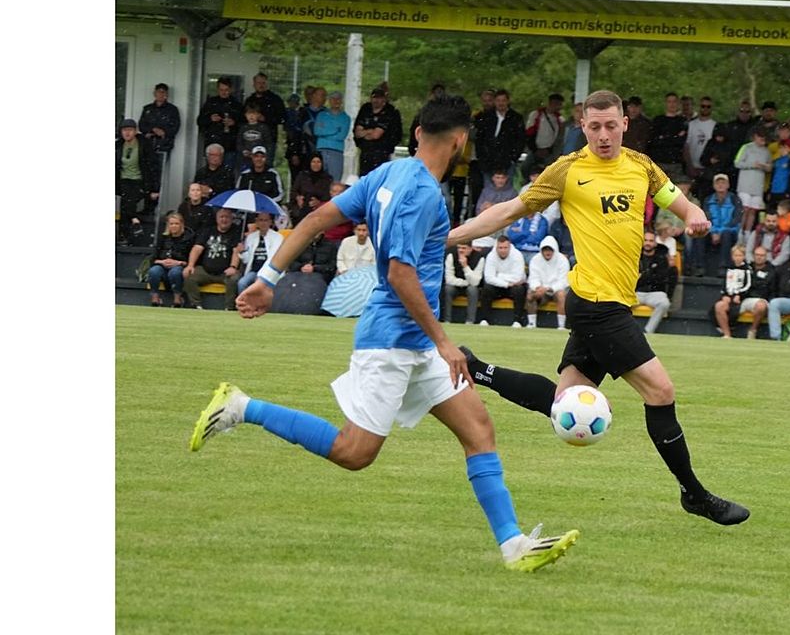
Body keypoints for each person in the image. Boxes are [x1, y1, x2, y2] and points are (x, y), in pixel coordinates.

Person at [190, 94, 579, 572]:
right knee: (354, 453)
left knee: (478, 429)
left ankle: (513, 545)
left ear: (418, 133)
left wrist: (268, 281)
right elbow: (399, 274)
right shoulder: (422, 194)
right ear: (460, 142)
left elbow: (314, 219)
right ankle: (241, 406)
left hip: (413, 341)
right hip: (393, 340)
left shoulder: (385, 175)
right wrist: (444, 343)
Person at [448, 89, 749, 526]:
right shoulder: (567, 170)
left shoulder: (641, 166)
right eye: (594, 127)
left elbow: (681, 203)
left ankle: (477, 370)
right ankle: (694, 493)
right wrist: (450, 236)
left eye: (611, 126)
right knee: (660, 392)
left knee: (561, 401)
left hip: (612, 304)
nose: (603, 135)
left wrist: (694, 215)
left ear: (625, 124)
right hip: (596, 305)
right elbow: (508, 212)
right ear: (582, 126)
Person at [183, 208, 243, 310]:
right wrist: (190, 265)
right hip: (206, 271)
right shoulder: (208, 231)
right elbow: (197, 248)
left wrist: (233, 267)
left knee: (234, 279)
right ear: (216, 219)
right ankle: (196, 305)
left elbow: (236, 251)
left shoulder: (236, 232)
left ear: (232, 219)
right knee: (189, 276)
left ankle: (229, 308)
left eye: (227, 217)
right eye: (221, 217)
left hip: (225, 272)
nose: (224, 220)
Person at [116, 118, 159, 245]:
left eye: (130, 130)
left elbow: (153, 166)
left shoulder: (144, 144)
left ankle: (130, 228)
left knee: (127, 202)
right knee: (126, 201)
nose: (127, 133)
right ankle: (132, 225)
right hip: (123, 180)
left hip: (140, 180)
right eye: (124, 130)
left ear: (135, 131)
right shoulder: (118, 145)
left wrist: (155, 188)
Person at [473, 89, 526, 188]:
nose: (501, 103)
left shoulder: (516, 118)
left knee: (506, 190)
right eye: (498, 100)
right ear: (494, 102)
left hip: (507, 161)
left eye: (503, 100)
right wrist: (482, 157)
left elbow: (521, 140)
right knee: (489, 190)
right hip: (488, 161)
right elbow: (479, 139)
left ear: (508, 101)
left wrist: (513, 157)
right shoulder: (486, 117)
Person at [146, 212, 194, 308]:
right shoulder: (163, 238)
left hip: (179, 266)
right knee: (154, 271)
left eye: (176, 224)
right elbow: (153, 258)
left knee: (175, 272)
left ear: (182, 224)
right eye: (171, 224)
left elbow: (190, 260)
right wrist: (162, 262)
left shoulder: (189, 239)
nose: (174, 226)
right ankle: (155, 298)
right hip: (162, 265)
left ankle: (177, 298)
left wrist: (178, 262)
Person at [197, 76, 244, 172]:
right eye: (221, 89)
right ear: (217, 89)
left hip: (230, 145)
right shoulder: (210, 103)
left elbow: (244, 125)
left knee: (227, 173)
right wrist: (210, 119)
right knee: (212, 172)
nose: (224, 92)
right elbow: (200, 121)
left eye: (226, 90)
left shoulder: (237, 105)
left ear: (231, 89)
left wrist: (234, 123)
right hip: (213, 143)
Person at [478, 236, 527, 328]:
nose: (503, 250)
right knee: (487, 289)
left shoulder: (517, 255)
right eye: (500, 248)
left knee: (519, 289)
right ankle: (485, 319)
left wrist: (498, 276)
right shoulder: (491, 256)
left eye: (505, 248)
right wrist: (506, 284)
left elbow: (518, 278)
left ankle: (517, 321)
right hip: (501, 286)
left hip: (514, 287)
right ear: (496, 247)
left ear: (509, 247)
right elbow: (488, 278)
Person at [353, 88, 403, 176]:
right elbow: (357, 133)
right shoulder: (365, 109)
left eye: (379, 98)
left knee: (379, 177)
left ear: (384, 99)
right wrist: (370, 131)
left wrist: (365, 132)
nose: (377, 100)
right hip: (365, 152)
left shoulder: (389, 112)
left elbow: (376, 135)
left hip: (382, 152)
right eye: (374, 98)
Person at [525, 235, 570, 330]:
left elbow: (564, 281)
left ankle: (561, 325)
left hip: (556, 290)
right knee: (530, 294)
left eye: (550, 249)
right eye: (545, 249)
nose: (547, 252)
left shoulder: (563, 260)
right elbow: (533, 278)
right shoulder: (535, 260)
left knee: (561, 294)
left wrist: (549, 288)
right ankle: (531, 323)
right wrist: (537, 288)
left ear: (554, 250)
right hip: (541, 290)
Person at [734, 127, 772, 235]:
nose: (762, 139)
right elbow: (737, 163)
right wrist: (752, 165)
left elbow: (770, 167)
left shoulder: (766, 151)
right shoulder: (746, 147)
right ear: (755, 137)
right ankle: (739, 232)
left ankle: (748, 233)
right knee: (744, 210)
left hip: (758, 187)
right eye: (760, 137)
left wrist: (764, 166)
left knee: (753, 211)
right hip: (745, 185)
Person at [635, 231, 674, 334]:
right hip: (636, 293)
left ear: (655, 243)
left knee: (664, 303)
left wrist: (642, 277)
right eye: (646, 240)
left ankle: (648, 331)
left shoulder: (661, 258)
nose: (648, 243)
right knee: (619, 304)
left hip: (654, 293)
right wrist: (649, 276)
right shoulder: (635, 256)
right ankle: (628, 331)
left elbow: (661, 279)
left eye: (651, 241)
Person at [243, 72, 286, 164]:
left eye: (263, 83)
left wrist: (266, 119)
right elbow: (243, 120)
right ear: (254, 84)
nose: (261, 85)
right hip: (250, 140)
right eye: (259, 83)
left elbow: (282, 118)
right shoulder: (250, 100)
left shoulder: (275, 99)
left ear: (267, 84)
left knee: (266, 166)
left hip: (268, 140)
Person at [237, 212, 284, 295]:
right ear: (257, 222)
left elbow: (274, 258)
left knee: (259, 284)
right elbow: (247, 260)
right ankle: (245, 305)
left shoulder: (277, 237)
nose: (263, 223)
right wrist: (242, 251)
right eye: (261, 220)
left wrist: (260, 276)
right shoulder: (251, 237)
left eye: (266, 220)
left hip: (269, 272)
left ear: (270, 222)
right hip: (254, 271)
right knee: (242, 283)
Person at [711, 244, 753, 339]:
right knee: (719, 306)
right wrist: (725, 295)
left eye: (740, 255)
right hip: (728, 296)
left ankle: (732, 327)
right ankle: (727, 334)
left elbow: (748, 285)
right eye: (736, 255)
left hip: (740, 298)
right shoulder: (729, 268)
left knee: (733, 309)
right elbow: (724, 284)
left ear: (744, 256)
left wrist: (739, 294)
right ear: (732, 256)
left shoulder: (747, 269)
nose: (738, 258)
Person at [312, 91, 351, 182]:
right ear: (329, 101)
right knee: (318, 179)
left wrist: (325, 132)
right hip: (321, 150)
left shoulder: (345, 118)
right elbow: (317, 131)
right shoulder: (321, 115)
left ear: (341, 101)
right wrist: (334, 130)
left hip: (336, 151)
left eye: (338, 99)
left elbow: (341, 136)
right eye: (333, 99)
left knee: (334, 180)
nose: (336, 101)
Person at [647, 92, 687, 179]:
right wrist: (674, 137)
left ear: (678, 103)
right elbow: (654, 141)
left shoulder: (682, 121)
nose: (672, 104)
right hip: (659, 161)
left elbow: (681, 142)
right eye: (669, 102)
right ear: (665, 103)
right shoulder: (658, 120)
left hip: (676, 162)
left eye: (674, 101)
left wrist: (665, 138)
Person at [138, 83, 181, 163]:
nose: (161, 94)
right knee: (146, 168)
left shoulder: (172, 109)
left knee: (160, 170)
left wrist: (163, 132)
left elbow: (175, 127)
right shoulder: (147, 109)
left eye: (163, 92)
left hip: (164, 144)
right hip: (147, 144)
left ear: (167, 94)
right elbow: (141, 125)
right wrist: (153, 129)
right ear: (154, 93)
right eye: (159, 92)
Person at [443, 242, 484, 324]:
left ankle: (470, 321)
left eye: (464, 248)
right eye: (459, 248)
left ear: (470, 249)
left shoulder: (480, 258)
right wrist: (465, 282)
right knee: (448, 288)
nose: (460, 250)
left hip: (470, 287)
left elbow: (475, 282)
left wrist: (465, 266)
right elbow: (449, 279)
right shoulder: (451, 256)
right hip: (456, 286)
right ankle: (447, 320)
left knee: (472, 290)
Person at [289, 153, 333, 226]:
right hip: (302, 208)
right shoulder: (302, 176)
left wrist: (319, 202)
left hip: (319, 210)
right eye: (313, 162)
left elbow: (329, 196)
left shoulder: (327, 178)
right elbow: (293, 191)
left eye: (318, 162)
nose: (316, 164)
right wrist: (298, 198)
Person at [524, 92, 564, 170]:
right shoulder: (536, 115)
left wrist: (550, 150)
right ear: (550, 103)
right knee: (525, 168)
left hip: (549, 152)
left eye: (560, 105)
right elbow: (529, 133)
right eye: (557, 104)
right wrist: (535, 149)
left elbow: (559, 138)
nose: (558, 107)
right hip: (534, 149)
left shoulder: (560, 119)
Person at [236, 103, 273, 172]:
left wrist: (262, 154)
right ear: (245, 115)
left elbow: (268, 143)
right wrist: (243, 150)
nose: (251, 116)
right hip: (245, 159)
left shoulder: (263, 128)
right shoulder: (243, 128)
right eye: (249, 114)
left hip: (259, 158)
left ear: (258, 115)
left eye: (254, 114)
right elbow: (239, 142)